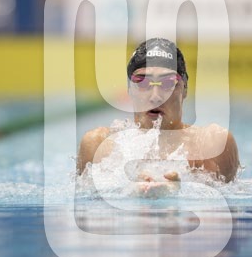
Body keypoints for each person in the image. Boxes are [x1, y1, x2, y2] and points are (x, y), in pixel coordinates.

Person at [77, 38, 240, 198]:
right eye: (142, 83)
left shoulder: (212, 144)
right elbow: (87, 204)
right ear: (129, 90)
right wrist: (130, 193)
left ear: (184, 89)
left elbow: (225, 206)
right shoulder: (99, 146)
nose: (155, 97)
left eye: (168, 83)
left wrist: (178, 194)